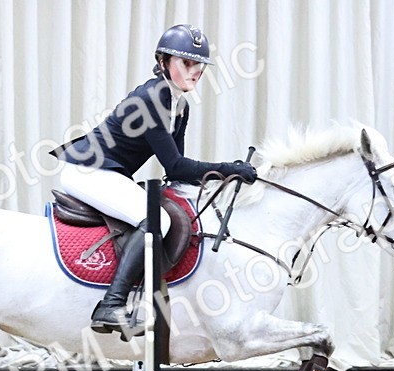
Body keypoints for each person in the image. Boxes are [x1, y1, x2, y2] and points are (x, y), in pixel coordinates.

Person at [53, 24, 258, 335]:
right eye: (186, 63)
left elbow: (178, 173)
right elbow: (176, 165)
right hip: (87, 170)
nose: (195, 72)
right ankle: (111, 305)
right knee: (157, 220)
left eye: (199, 65)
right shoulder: (151, 98)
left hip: (109, 172)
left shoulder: (180, 105)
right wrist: (228, 169)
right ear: (163, 62)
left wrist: (218, 181)